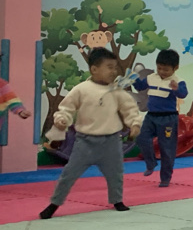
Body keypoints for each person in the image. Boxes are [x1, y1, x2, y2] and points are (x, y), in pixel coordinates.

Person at [39, 48, 143, 219]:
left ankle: (117, 200)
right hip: (85, 142)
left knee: (116, 174)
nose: (114, 71)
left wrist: (135, 123)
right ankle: (54, 203)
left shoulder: (116, 91)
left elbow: (130, 109)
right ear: (94, 69)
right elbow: (66, 108)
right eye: (109, 67)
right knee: (69, 174)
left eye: (115, 67)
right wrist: (62, 119)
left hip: (111, 141)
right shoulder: (82, 89)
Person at [132, 49, 188, 187]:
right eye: (159, 68)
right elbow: (140, 86)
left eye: (166, 69)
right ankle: (151, 162)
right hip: (151, 116)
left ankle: (165, 177)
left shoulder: (178, 81)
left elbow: (183, 94)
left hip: (168, 118)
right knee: (141, 137)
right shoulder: (152, 77)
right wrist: (133, 79)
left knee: (167, 148)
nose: (162, 72)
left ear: (175, 68)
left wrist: (176, 89)